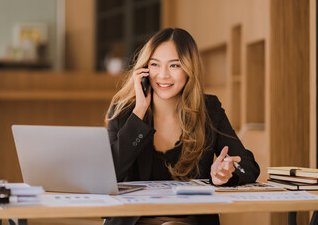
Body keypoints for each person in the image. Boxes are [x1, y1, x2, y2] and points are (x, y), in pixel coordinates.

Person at [104, 28, 260, 225]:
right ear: (144, 70)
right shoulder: (123, 113)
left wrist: (225, 174)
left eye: (174, 65)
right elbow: (108, 176)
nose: (163, 75)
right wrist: (140, 110)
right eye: (155, 65)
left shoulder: (209, 110)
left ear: (189, 69)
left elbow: (247, 166)